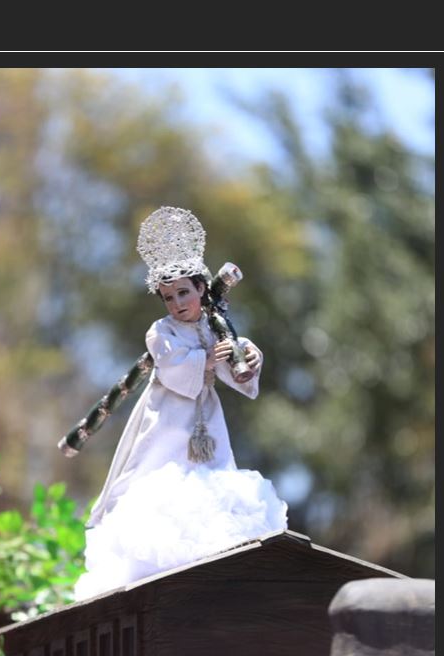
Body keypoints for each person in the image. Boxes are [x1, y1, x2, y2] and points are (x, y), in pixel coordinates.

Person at [73, 207, 287, 601]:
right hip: (167, 418)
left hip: (206, 419)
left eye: (183, 293)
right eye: (169, 297)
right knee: (159, 487)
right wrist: (206, 360)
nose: (176, 303)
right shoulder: (161, 332)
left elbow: (233, 363)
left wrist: (248, 359)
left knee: (212, 486)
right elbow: (172, 368)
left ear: (202, 289)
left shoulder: (213, 324)